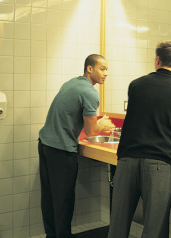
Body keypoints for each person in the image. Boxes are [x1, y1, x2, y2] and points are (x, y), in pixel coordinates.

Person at [108, 41, 171, 238]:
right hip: (159, 164)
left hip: (127, 161)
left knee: (117, 226)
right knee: (154, 229)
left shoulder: (136, 85)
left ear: (157, 60)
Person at [38, 54, 115, 238]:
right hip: (61, 150)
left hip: (45, 145)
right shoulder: (90, 92)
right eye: (102, 68)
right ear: (90, 68)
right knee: (63, 200)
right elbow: (90, 131)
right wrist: (101, 125)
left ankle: (52, 235)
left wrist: (95, 123)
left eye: (107, 69)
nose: (106, 73)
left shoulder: (71, 83)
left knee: (49, 197)